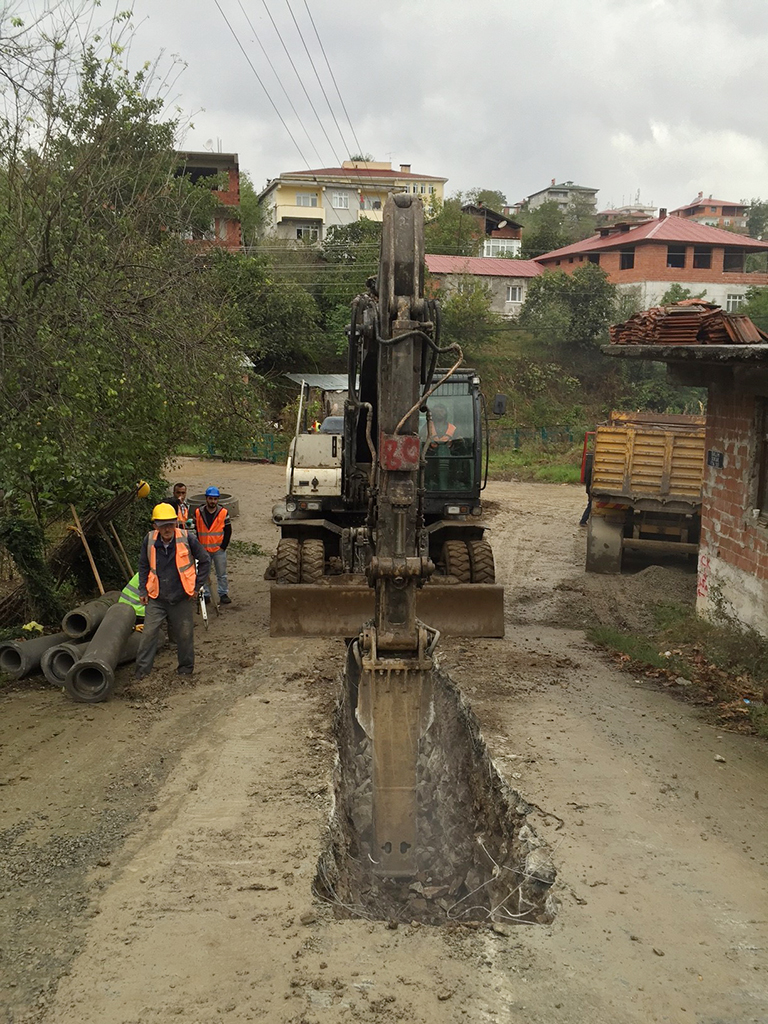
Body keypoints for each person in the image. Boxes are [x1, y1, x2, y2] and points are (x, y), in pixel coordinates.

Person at [134, 503, 210, 679]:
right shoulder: (150, 540)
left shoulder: (186, 538)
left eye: (170, 524)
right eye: (162, 525)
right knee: (148, 635)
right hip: (156, 597)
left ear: (176, 523)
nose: (167, 528)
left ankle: (185, 669)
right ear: (155, 526)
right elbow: (144, 565)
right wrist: (143, 591)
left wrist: (197, 586)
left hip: (181, 596)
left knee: (184, 635)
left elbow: (205, 560)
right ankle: (142, 673)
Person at [194, 486, 232, 604]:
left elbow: (228, 530)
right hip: (203, 549)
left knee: (221, 574)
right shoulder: (198, 512)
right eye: (211, 499)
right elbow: (194, 529)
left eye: (215, 499)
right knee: (204, 574)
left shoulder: (223, 512)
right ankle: (206, 594)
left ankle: (223, 593)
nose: (213, 501)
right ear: (206, 499)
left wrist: (223, 547)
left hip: (218, 549)